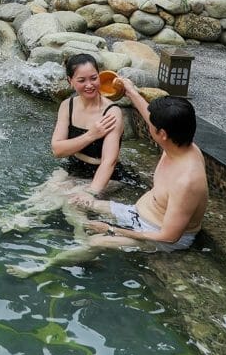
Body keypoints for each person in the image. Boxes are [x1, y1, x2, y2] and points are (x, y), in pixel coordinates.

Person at [70, 76, 208, 253]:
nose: (149, 124)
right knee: (76, 201)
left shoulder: (187, 181)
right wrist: (130, 91)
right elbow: (153, 119)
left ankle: (49, 262)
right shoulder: (178, 142)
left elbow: (169, 236)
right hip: (137, 213)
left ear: (162, 134)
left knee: (95, 242)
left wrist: (111, 229)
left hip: (158, 235)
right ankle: (79, 237)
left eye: (152, 125)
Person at [51, 54, 124, 199]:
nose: (89, 85)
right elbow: (57, 150)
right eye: (81, 80)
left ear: (99, 77)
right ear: (70, 81)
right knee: (41, 197)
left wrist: (90, 192)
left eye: (93, 78)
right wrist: (91, 135)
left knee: (72, 204)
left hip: (106, 175)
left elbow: (109, 162)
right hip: (74, 166)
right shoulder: (67, 105)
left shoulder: (112, 112)